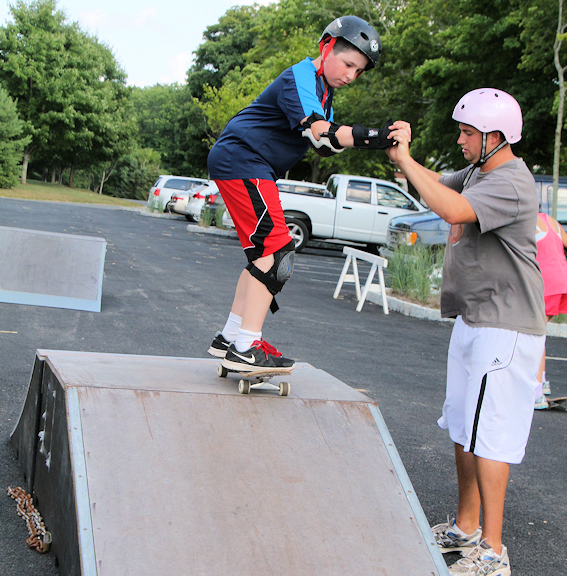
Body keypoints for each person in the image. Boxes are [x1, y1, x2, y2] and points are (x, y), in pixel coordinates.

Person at [386, 89, 546, 576]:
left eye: (467, 133)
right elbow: (439, 187)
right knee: (464, 427)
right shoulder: (480, 171)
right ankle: (466, 528)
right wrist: (399, 156)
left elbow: (454, 212)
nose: (459, 140)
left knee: (491, 438)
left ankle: (494, 554)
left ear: (495, 137)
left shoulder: (512, 182)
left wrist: (409, 161)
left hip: (506, 325)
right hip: (475, 319)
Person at [206, 16, 401, 372]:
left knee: (264, 254)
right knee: (278, 250)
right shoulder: (301, 77)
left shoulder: (324, 93)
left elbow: (323, 145)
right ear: (326, 47)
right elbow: (322, 133)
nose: (350, 76)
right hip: (243, 159)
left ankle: (230, 338)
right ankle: (246, 347)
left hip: (247, 163)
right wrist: (376, 135)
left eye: (358, 72)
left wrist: (363, 137)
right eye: (348, 64)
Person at [534, 211, 567, 408]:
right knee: (539, 332)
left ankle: (537, 391)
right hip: (561, 280)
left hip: (546, 282)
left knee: (534, 334)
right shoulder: (551, 220)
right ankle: (542, 382)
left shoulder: (527, 220)